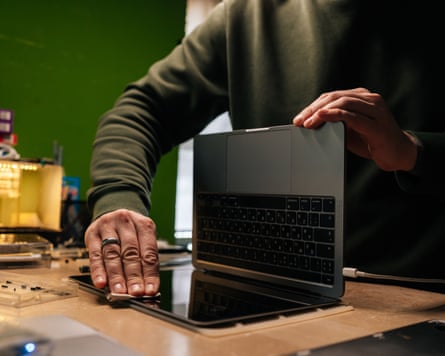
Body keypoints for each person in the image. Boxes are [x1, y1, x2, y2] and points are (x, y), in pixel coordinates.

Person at [85, 0, 445, 297]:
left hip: (416, 300)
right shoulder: (244, 16)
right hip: (273, 298)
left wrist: (413, 151)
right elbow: (141, 111)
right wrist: (118, 200)